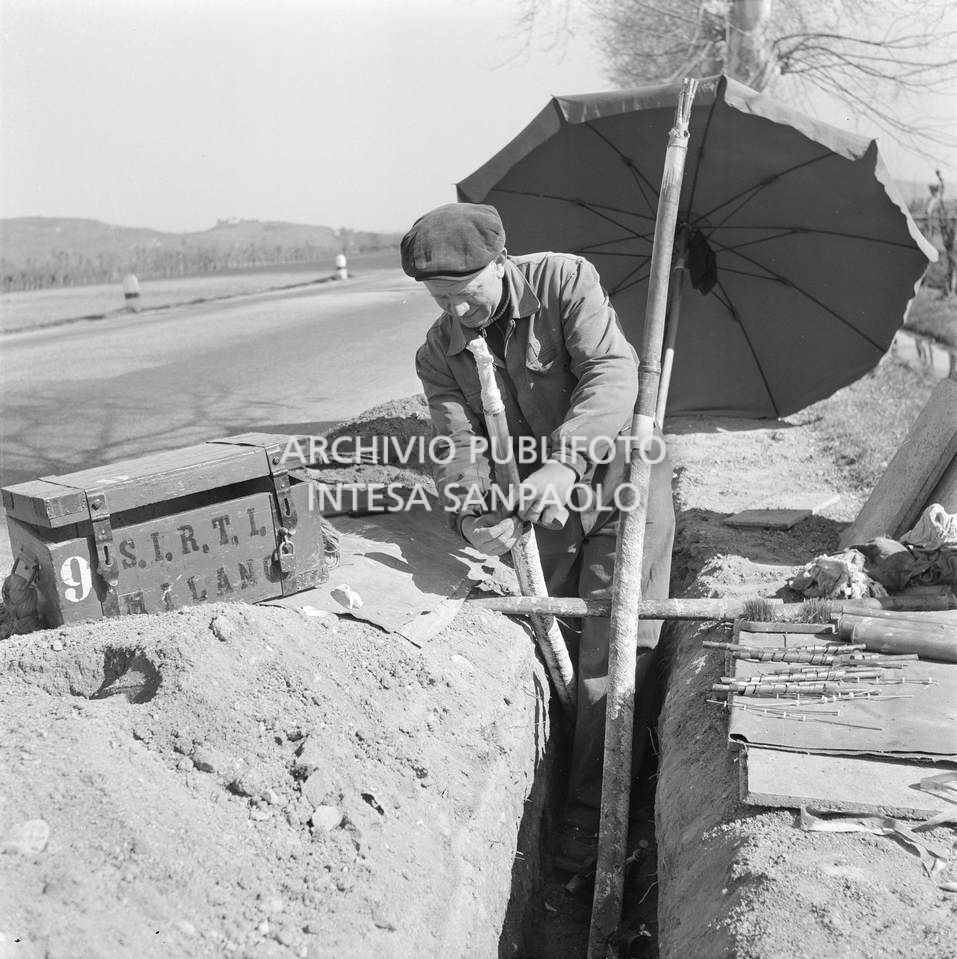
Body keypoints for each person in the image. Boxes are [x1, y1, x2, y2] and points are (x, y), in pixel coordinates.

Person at [403, 203, 675, 874]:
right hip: (538, 509)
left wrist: (564, 461)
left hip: (617, 487)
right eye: (441, 300)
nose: (458, 312)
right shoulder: (439, 354)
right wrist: (474, 515)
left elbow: (612, 375)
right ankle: (562, 796)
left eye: (467, 294)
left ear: (501, 263)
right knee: (558, 639)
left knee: (615, 647)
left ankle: (598, 820)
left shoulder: (563, 280)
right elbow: (458, 449)